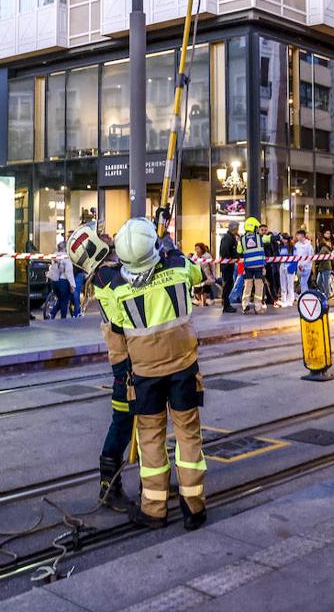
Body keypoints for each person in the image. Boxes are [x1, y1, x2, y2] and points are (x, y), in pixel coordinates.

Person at [107, 217, 207, 531]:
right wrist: (169, 249)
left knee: (151, 439)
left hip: (145, 375)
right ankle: (194, 507)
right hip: (183, 368)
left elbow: (114, 327)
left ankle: (154, 509)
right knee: (188, 436)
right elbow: (198, 273)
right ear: (155, 248)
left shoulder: (117, 289)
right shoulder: (177, 266)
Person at [67, 224, 132, 511]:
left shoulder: (109, 274)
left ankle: (150, 479)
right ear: (94, 247)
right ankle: (109, 487)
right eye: (101, 236)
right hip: (128, 364)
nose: (108, 235)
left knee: (146, 421)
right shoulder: (111, 278)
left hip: (131, 359)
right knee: (123, 421)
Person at [239, 217, 267, 313]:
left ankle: (245, 306)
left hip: (248, 266)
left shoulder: (242, 239)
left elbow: (239, 251)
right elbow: (268, 239)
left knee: (247, 285)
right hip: (258, 265)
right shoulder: (259, 237)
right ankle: (258, 307)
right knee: (259, 286)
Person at [45, 247, 76, 319]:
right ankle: (63, 319)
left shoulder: (54, 256)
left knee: (60, 299)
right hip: (63, 281)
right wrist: (72, 285)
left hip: (54, 282)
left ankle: (51, 314)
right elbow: (68, 272)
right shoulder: (66, 257)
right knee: (64, 301)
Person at [218, 222, 241, 313]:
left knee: (229, 284)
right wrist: (232, 258)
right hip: (227, 265)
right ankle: (226, 305)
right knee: (228, 284)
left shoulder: (230, 237)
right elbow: (226, 251)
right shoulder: (228, 238)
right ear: (234, 229)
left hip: (228, 265)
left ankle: (226, 304)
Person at [315, 229, 334, 296]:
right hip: (322, 267)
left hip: (325, 267)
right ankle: (324, 293)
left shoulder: (323, 248)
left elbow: (319, 257)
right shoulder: (324, 248)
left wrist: (315, 259)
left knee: (324, 282)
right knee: (320, 282)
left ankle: (327, 294)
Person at [294, 229, 314, 294]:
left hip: (306, 267)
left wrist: (303, 265)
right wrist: (298, 265)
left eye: (298, 235)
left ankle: (304, 296)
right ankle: (305, 296)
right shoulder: (296, 245)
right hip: (298, 267)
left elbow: (310, 257)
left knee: (303, 282)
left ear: (302, 236)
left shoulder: (308, 245)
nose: (297, 236)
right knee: (302, 283)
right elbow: (295, 256)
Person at [278, 235, 296, 307]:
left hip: (289, 265)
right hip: (282, 265)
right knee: (283, 284)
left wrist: (293, 267)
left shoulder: (292, 248)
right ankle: (283, 299)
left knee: (290, 285)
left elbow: (296, 258)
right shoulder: (280, 247)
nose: (283, 240)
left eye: (285, 239)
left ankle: (290, 300)